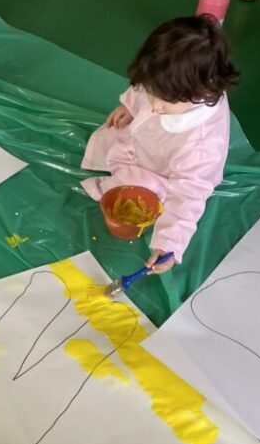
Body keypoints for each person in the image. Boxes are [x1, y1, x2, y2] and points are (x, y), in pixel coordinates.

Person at [81, 16, 240, 272]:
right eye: (151, 93)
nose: (154, 106)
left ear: (202, 92)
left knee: (140, 190)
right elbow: (143, 89)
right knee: (110, 135)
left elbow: (189, 193)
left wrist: (169, 244)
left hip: (161, 171)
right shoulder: (172, 85)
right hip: (140, 141)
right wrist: (129, 106)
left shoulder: (201, 145)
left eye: (164, 102)